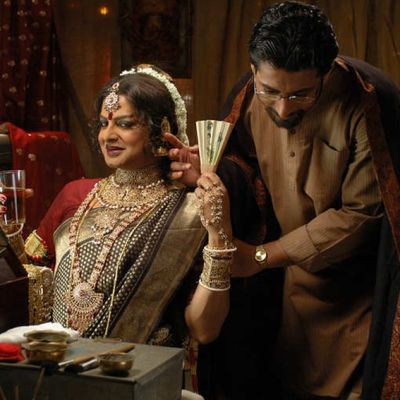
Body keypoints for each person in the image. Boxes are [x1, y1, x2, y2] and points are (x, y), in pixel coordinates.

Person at [165, 1, 400, 399]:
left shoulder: (368, 104)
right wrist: (208, 169)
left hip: (355, 297)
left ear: (327, 72)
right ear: (254, 69)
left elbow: (361, 216)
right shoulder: (247, 93)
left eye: (301, 94)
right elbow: (246, 169)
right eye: (270, 91)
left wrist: (260, 256)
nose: (282, 107)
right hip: (282, 291)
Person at [8, 64, 236, 398]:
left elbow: (204, 329)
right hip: (58, 377)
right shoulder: (75, 195)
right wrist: (5, 232)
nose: (108, 135)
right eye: (104, 123)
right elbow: (25, 279)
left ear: (162, 130)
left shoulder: (190, 210)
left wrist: (218, 234)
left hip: (140, 381)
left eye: (125, 124)